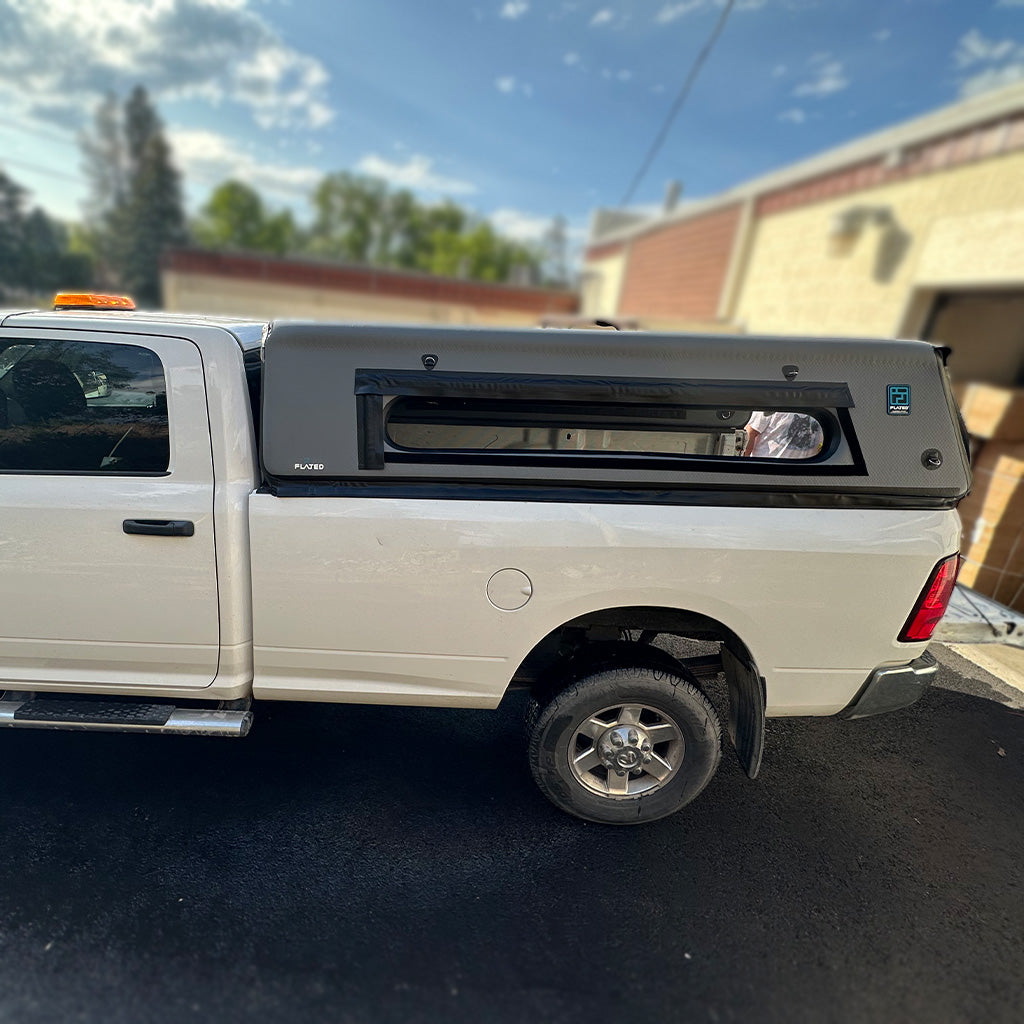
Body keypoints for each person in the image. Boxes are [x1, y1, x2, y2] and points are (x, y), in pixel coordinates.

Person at [743, 411, 823, 459]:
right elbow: (750, 433)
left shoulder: (822, 407)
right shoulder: (774, 401)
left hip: (805, 474)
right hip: (768, 471)